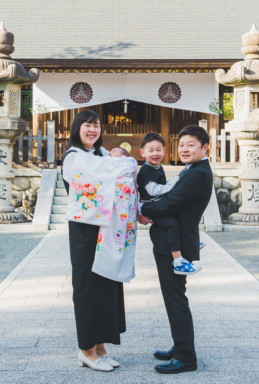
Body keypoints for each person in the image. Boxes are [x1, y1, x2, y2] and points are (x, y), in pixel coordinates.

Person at [138, 125, 213, 375]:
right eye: (181, 144)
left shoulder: (198, 174)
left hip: (176, 243)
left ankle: (185, 357)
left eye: (190, 144)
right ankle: (180, 346)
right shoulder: (193, 169)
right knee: (175, 299)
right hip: (174, 241)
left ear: (205, 148)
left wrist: (140, 210)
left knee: (175, 300)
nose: (184, 149)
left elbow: (169, 204)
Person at [62, 110, 126, 373]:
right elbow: (92, 184)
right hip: (85, 230)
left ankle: (100, 347)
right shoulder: (73, 156)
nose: (92, 130)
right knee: (87, 287)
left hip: (106, 229)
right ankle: (86, 350)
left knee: (105, 284)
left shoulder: (100, 155)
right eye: (87, 125)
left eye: (96, 126)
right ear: (77, 128)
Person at [137, 133, 200, 276]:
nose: (155, 154)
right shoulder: (146, 170)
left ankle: (190, 243)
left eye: (158, 150)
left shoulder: (157, 167)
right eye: (150, 151)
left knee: (178, 216)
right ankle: (178, 261)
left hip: (155, 203)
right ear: (142, 152)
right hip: (149, 205)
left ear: (164, 151)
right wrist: (175, 181)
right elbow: (155, 191)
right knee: (171, 224)